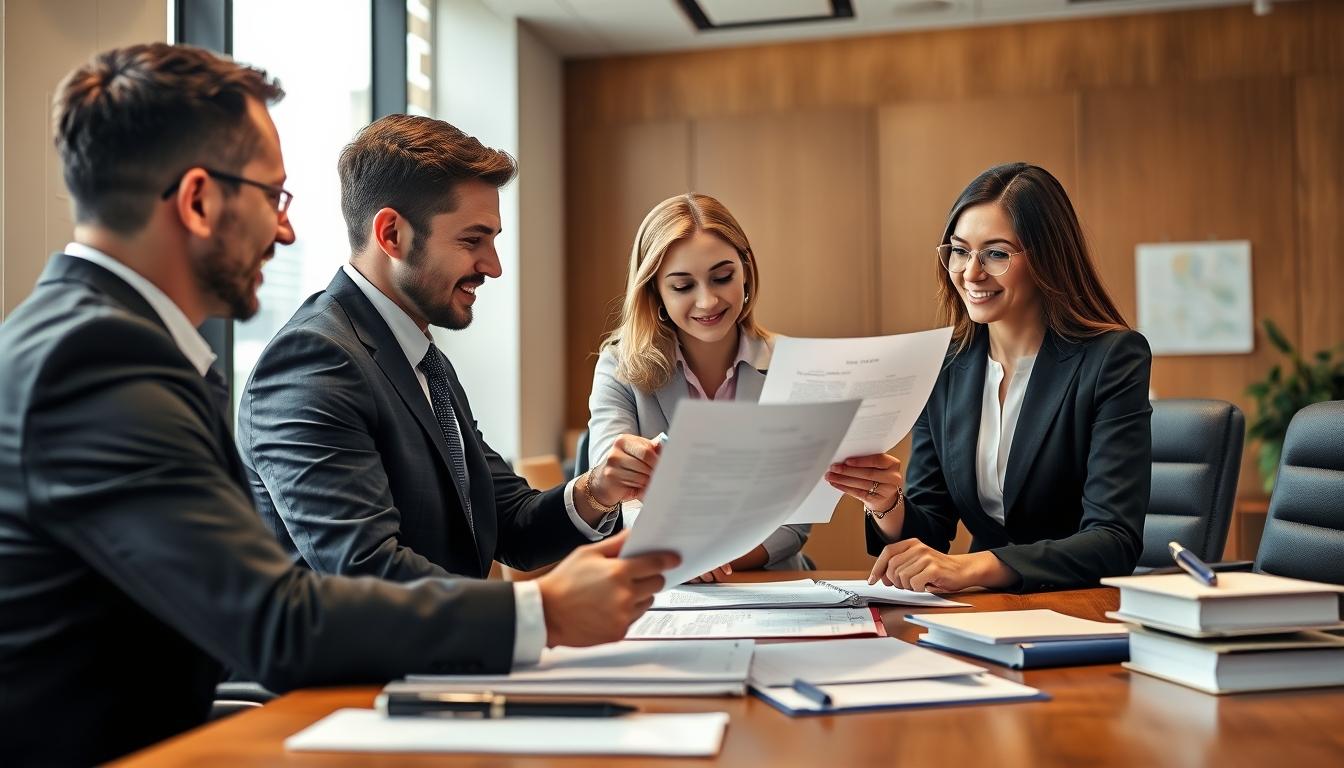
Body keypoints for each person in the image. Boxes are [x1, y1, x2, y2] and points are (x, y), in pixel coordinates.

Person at [0, 43, 674, 766]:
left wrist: (592, 499)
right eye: (271, 197)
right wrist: (541, 611)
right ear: (198, 200)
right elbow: (277, 617)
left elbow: (493, 519)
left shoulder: (113, 343)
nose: (285, 230)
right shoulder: (99, 360)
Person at [238, 114, 638, 583]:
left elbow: (511, 525)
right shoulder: (312, 363)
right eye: (473, 241)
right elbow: (369, 572)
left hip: (448, 653)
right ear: (391, 235)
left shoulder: (424, 360)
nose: (493, 267)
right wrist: (542, 610)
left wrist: (599, 489)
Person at [864, 162, 1151, 594]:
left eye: (996, 253)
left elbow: (1113, 541)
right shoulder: (942, 367)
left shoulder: (1111, 359)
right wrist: (886, 503)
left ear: (1047, 259)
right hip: (980, 611)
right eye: (959, 251)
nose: (971, 273)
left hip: (1077, 606)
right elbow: (932, 531)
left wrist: (973, 568)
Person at [587, 193, 904, 581]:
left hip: (771, 582)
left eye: (722, 278)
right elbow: (610, 492)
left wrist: (715, 559)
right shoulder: (620, 365)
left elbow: (796, 522)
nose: (707, 300)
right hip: (663, 581)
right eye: (683, 286)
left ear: (746, 272)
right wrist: (677, 554)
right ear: (655, 293)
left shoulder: (795, 365)